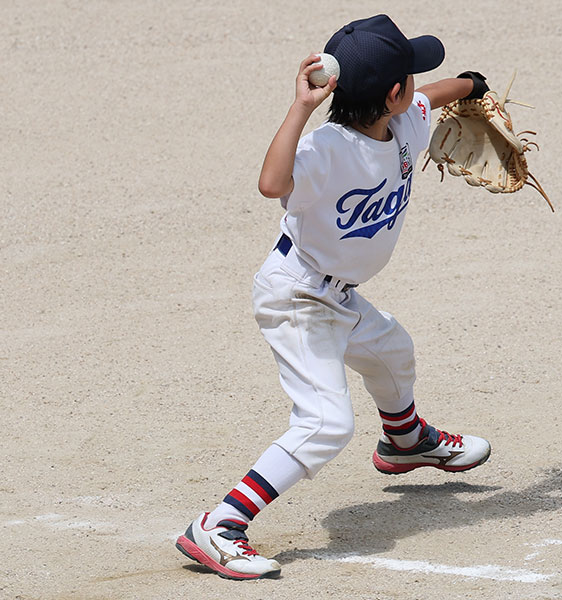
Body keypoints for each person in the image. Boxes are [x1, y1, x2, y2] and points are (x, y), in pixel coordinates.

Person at [176, 14, 492, 580]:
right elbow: (272, 184)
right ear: (393, 94)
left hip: (338, 298)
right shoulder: (325, 148)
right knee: (326, 423)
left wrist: (473, 85)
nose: (420, 85)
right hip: (295, 296)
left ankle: (404, 441)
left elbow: (436, 95)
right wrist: (300, 109)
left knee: (392, 350)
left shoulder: (404, 127)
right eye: (410, 77)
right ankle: (219, 525)